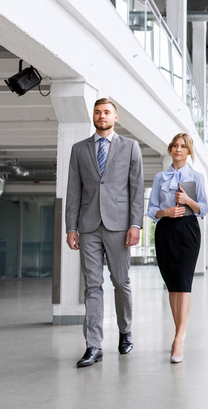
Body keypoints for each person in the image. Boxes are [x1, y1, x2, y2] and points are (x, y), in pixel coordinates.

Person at [66, 98, 144, 367]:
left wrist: (135, 224)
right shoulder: (78, 150)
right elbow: (73, 191)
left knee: (121, 282)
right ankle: (93, 345)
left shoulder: (131, 147)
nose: (102, 116)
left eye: (106, 112)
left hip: (120, 225)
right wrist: (71, 227)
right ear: (93, 116)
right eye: (97, 112)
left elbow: (136, 189)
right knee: (92, 285)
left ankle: (125, 330)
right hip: (88, 226)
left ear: (116, 117)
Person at [146, 133, 208, 363]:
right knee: (172, 285)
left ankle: (180, 337)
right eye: (175, 145)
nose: (178, 149)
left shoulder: (197, 177)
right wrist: (166, 212)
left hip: (189, 230)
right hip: (166, 231)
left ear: (189, 151)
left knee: (184, 283)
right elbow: (152, 209)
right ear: (171, 149)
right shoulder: (160, 177)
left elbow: (203, 208)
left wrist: (187, 201)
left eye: (183, 146)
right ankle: (177, 331)